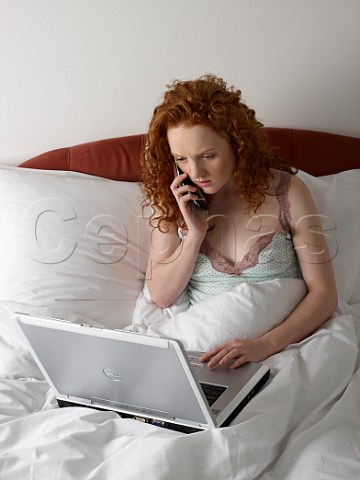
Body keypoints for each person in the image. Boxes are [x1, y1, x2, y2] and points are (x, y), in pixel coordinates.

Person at [140, 74, 337, 369]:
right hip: (204, 353)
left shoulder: (287, 191)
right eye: (181, 159)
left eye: (208, 155)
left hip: (279, 346)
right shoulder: (172, 202)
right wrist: (193, 235)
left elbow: (324, 293)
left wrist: (264, 346)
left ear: (237, 144)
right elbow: (161, 296)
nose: (195, 171)